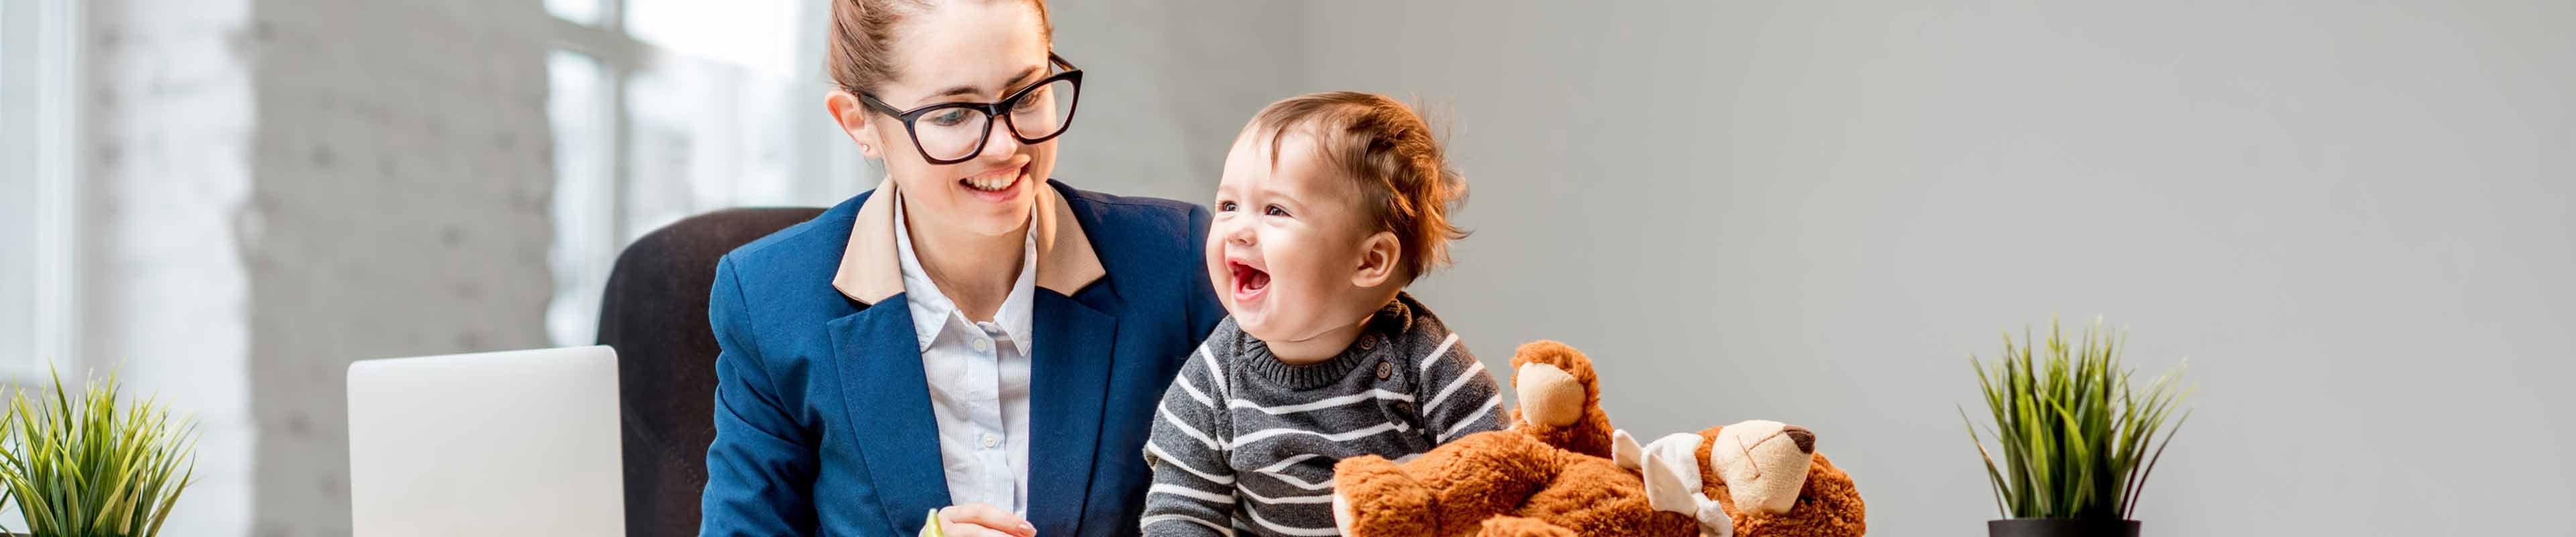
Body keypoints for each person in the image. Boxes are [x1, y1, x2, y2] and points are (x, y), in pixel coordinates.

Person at [697, 1, 1223, 535]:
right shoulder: (770, 303)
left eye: (1029, 95)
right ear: (859, 124)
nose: (1005, 145)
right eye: (952, 114)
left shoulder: (1176, 264)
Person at [1138, 92, 1503, 536]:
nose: (1237, 229)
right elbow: (1181, 509)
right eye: (1229, 206)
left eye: (1275, 210)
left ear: (1369, 262)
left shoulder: (1423, 360)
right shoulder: (1215, 377)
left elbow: (1495, 467)